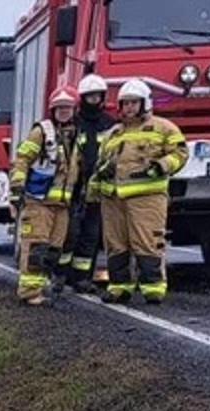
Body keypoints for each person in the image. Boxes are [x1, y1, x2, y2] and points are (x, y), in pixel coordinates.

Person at [94, 78, 187, 305]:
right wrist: (100, 177)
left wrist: (161, 166)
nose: (129, 108)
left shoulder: (163, 128)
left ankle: (153, 288)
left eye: (134, 103)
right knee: (116, 244)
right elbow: (101, 163)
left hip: (146, 197)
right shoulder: (113, 133)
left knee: (147, 241)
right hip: (113, 199)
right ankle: (119, 287)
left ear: (145, 103)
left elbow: (180, 154)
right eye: (125, 103)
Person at [9, 87, 81, 305]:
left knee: (53, 249)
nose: (63, 112)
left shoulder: (77, 134)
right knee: (35, 246)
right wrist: (17, 189)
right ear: (52, 110)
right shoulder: (42, 132)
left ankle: (39, 287)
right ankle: (29, 292)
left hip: (61, 204)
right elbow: (22, 160)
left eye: (67, 108)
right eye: (59, 108)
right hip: (38, 201)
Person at [60, 74, 116, 294]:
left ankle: (82, 278)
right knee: (69, 234)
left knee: (91, 236)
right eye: (89, 96)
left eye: (97, 96)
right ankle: (60, 275)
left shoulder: (110, 124)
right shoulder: (73, 123)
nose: (93, 100)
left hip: (98, 188)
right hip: (73, 188)